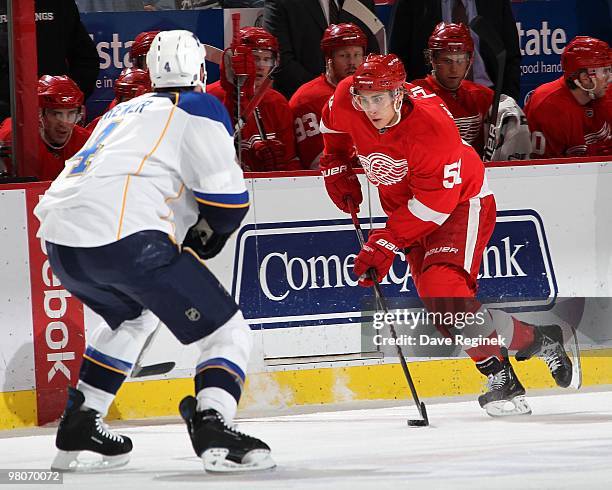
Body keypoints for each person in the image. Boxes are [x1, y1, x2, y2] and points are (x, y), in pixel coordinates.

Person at [34, 30, 274, 473]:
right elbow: (228, 202)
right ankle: (213, 423)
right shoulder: (199, 105)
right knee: (227, 333)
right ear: (202, 70)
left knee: (134, 318)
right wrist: (212, 230)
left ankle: (81, 421)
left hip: (60, 241)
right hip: (127, 240)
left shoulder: (121, 112)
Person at [319, 54, 578, 417]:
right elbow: (330, 123)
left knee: (444, 287)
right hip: (406, 207)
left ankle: (499, 376)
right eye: (364, 98)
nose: (369, 107)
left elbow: (434, 208)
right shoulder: (350, 96)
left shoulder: (431, 130)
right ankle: (540, 339)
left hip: (459, 202)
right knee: (445, 310)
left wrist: (385, 241)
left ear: (399, 94)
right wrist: (335, 161)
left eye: (379, 98)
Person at [411, 22, 530, 160]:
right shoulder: (416, 95)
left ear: (470, 60)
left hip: (476, 176)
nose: (454, 69)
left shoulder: (482, 96)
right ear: (432, 59)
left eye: (460, 61)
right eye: (447, 61)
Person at [389, 0, 521, 102]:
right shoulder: (412, 3)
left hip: (490, 97)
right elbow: (398, 58)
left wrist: (507, 101)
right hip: (432, 100)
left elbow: (510, 55)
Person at [207, 27, 300, 172]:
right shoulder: (211, 97)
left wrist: (281, 174)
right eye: (255, 58)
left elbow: (290, 160)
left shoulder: (277, 102)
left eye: (267, 59)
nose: (261, 66)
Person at [0, 0, 99, 120]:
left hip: (56, 114)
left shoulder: (59, 4)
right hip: (5, 114)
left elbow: (86, 58)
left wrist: (69, 101)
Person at [264, 0, 378, 99]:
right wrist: (323, 91)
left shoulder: (363, 2)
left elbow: (372, 53)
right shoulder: (282, 3)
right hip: (306, 105)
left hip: (359, 102)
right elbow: (281, 61)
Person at [289, 23, 366, 169]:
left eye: (357, 55)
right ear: (328, 59)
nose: (352, 63)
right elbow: (315, 163)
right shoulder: (306, 99)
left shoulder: (373, 93)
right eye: (344, 56)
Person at [525, 36, 611, 159]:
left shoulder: (605, 93)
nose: (609, 78)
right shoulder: (549, 106)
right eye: (604, 71)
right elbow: (547, 170)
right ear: (584, 78)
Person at [0, 75, 91, 181]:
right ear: (39, 113)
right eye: (56, 114)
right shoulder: (14, 138)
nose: (64, 123)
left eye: (71, 113)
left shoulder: (86, 141)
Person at [86, 68, 152, 131]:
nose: (133, 107)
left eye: (138, 102)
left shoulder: (155, 119)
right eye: (127, 101)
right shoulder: (104, 121)